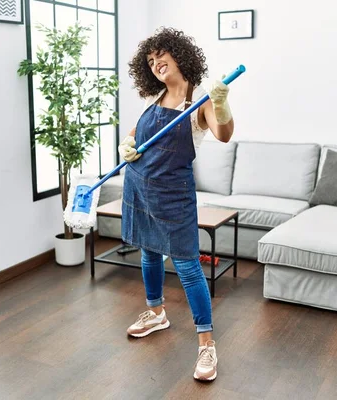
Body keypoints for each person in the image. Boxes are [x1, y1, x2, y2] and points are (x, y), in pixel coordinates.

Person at [118, 27, 235, 382]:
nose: (155, 65)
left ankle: (206, 343)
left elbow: (224, 134)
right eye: (150, 62)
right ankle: (156, 312)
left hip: (173, 193)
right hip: (138, 185)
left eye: (160, 57)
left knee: (186, 266)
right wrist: (126, 145)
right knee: (149, 252)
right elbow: (135, 137)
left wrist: (221, 102)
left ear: (179, 55)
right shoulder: (153, 100)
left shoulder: (198, 101)